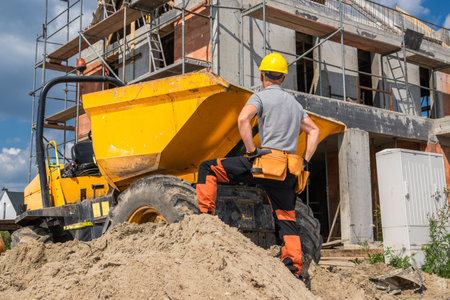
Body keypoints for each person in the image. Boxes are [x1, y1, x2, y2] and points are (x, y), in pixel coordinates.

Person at [196, 53, 320, 281]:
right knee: (287, 217)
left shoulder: (260, 98)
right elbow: (314, 131)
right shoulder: (295, 105)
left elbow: (243, 120)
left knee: (208, 168)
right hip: (287, 170)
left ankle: (204, 220)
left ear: (262, 76)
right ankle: (293, 266)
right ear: (283, 78)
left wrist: (251, 150)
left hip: (263, 165)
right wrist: (305, 161)